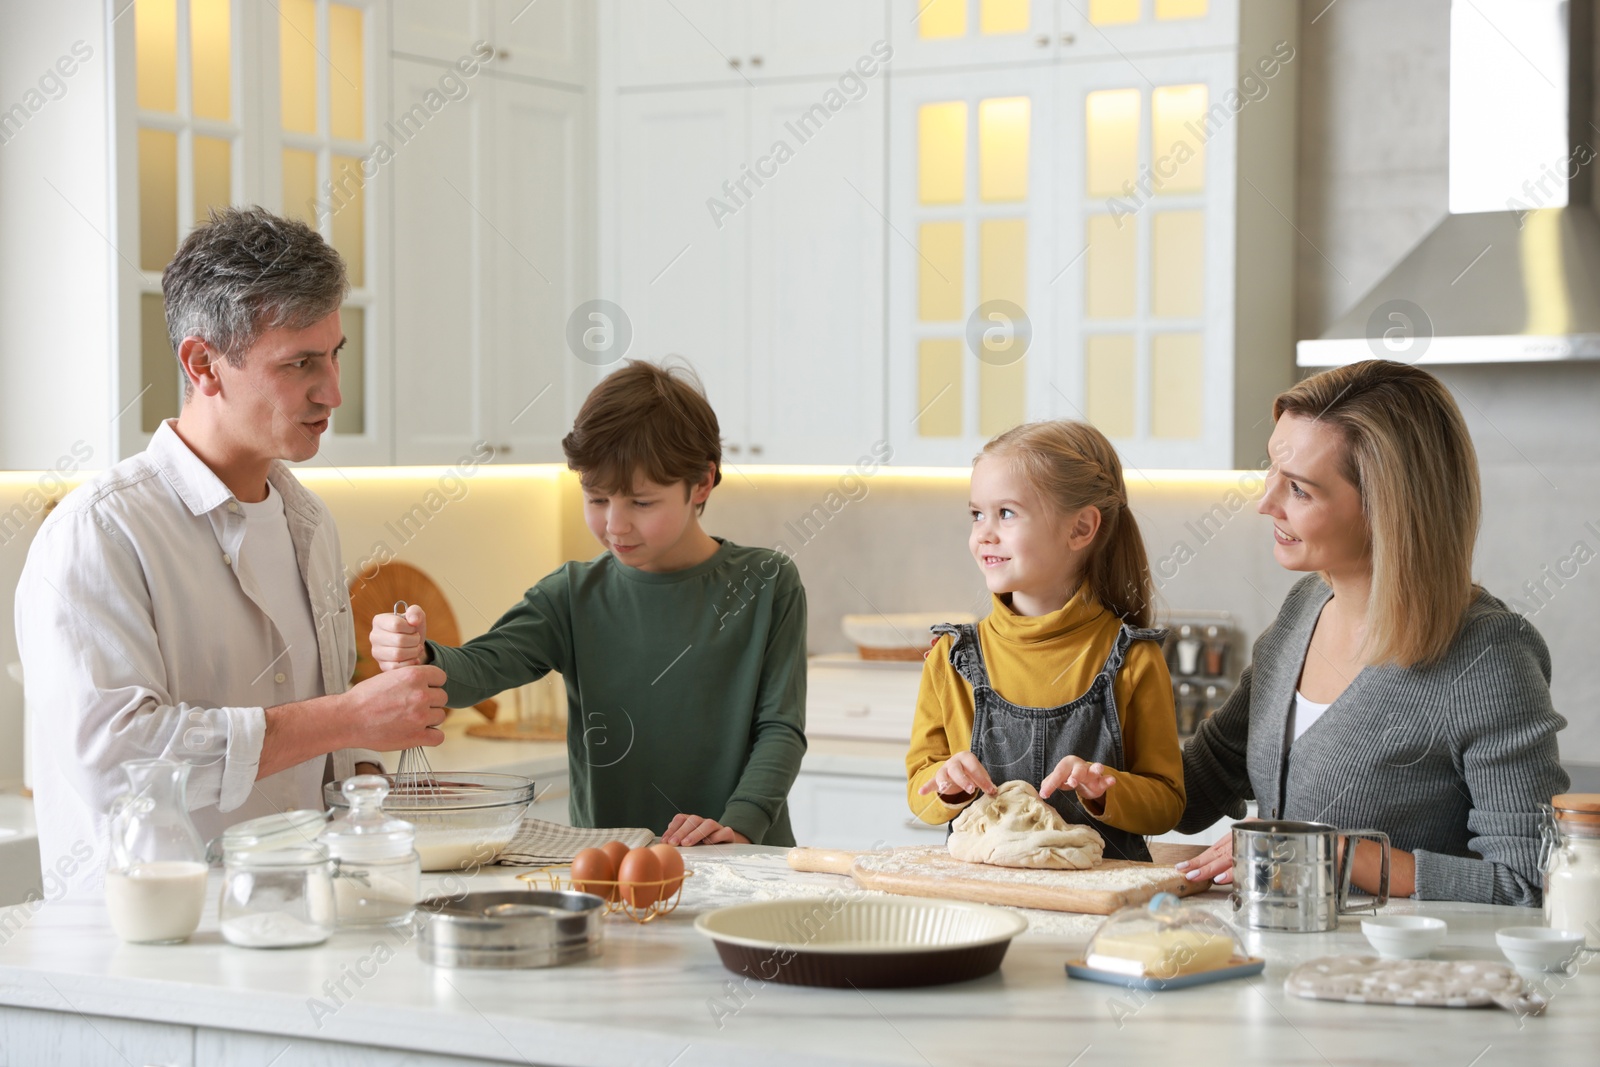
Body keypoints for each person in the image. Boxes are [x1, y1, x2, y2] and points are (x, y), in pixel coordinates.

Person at [16, 208, 448, 886]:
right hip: (147, 954)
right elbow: (121, 765)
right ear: (202, 363)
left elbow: (329, 748)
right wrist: (348, 716)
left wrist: (368, 736)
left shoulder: (310, 522)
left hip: (299, 927)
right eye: (300, 362)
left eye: (334, 354)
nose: (331, 391)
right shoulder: (98, 533)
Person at [1174, 360, 1569, 905]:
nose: (1266, 502)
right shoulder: (1306, 606)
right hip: (1280, 965)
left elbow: (1529, 885)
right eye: (1272, 471)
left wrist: (1335, 853)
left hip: (1401, 982)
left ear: (1387, 509)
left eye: (1301, 490)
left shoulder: (1487, 655)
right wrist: (1089, 782)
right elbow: (1211, 771)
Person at [370, 360, 807, 847]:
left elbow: (780, 729)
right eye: (596, 499)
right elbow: (478, 670)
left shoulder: (768, 584)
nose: (615, 526)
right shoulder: (572, 596)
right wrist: (422, 657)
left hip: (746, 859)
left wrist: (740, 825)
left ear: (702, 483)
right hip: (610, 870)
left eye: (641, 503)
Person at [906, 421, 1184, 861]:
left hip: (1098, 905)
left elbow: (1167, 803)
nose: (984, 534)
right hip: (980, 899)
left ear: (1080, 529)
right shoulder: (951, 658)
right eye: (977, 514)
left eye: (1007, 513)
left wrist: (1105, 789)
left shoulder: (1133, 659)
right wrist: (946, 783)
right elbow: (919, 791)